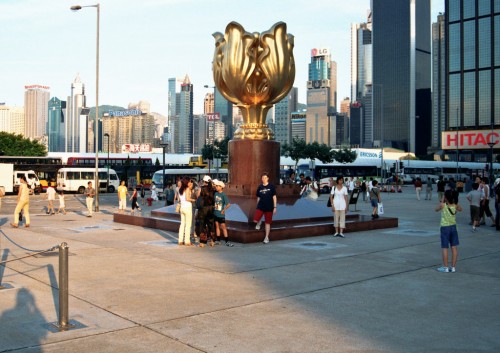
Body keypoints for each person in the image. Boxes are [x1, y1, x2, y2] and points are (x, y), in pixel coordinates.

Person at [435, 190, 462, 273]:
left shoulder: (443, 205)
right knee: (454, 247)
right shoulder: (455, 205)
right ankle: (453, 267)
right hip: (453, 227)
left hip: (445, 228)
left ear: (445, 197)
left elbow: (436, 209)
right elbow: (460, 209)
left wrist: (442, 200)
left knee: (445, 247)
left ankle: (446, 267)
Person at [254, 172, 277, 244]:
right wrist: (257, 205)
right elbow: (258, 197)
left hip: (269, 207)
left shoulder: (271, 186)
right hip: (260, 206)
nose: (263, 179)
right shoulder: (260, 187)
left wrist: (275, 207)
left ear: (268, 178)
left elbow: (274, 197)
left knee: (267, 223)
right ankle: (259, 222)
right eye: (262, 178)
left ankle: (266, 237)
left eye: (265, 178)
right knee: (255, 220)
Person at [196, 175, 215, 247]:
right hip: (210, 208)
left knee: (202, 224)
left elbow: (198, 196)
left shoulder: (201, 188)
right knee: (211, 224)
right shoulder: (212, 189)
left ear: (204, 181)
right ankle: (212, 240)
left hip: (203, 209)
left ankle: (202, 242)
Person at [213, 179, 233, 246]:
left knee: (223, 227)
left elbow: (228, 204)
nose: (216, 187)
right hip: (215, 212)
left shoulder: (223, 195)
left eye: (218, 186)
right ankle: (218, 240)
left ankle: (227, 241)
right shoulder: (215, 193)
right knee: (217, 226)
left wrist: (223, 210)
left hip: (221, 214)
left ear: (221, 187)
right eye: (216, 186)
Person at [178, 176, 196, 246]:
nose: (190, 183)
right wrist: (193, 200)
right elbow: (187, 198)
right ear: (187, 182)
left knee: (182, 224)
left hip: (182, 207)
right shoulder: (187, 189)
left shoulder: (180, 189)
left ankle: (180, 240)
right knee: (188, 225)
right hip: (187, 207)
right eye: (189, 181)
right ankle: (187, 241)